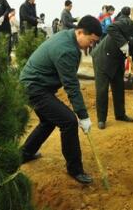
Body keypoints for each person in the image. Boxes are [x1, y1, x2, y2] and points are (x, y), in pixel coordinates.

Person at [19, 15, 102, 184]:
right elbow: (71, 85)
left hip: (38, 85)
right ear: (80, 32)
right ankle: (75, 170)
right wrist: (83, 115)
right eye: (91, 40)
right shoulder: (67, 50)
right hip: (34, 88)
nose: (92, 45)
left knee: (48, 121)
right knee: (69, 121)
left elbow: (70, 76)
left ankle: (25, 154)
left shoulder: (69, 37)